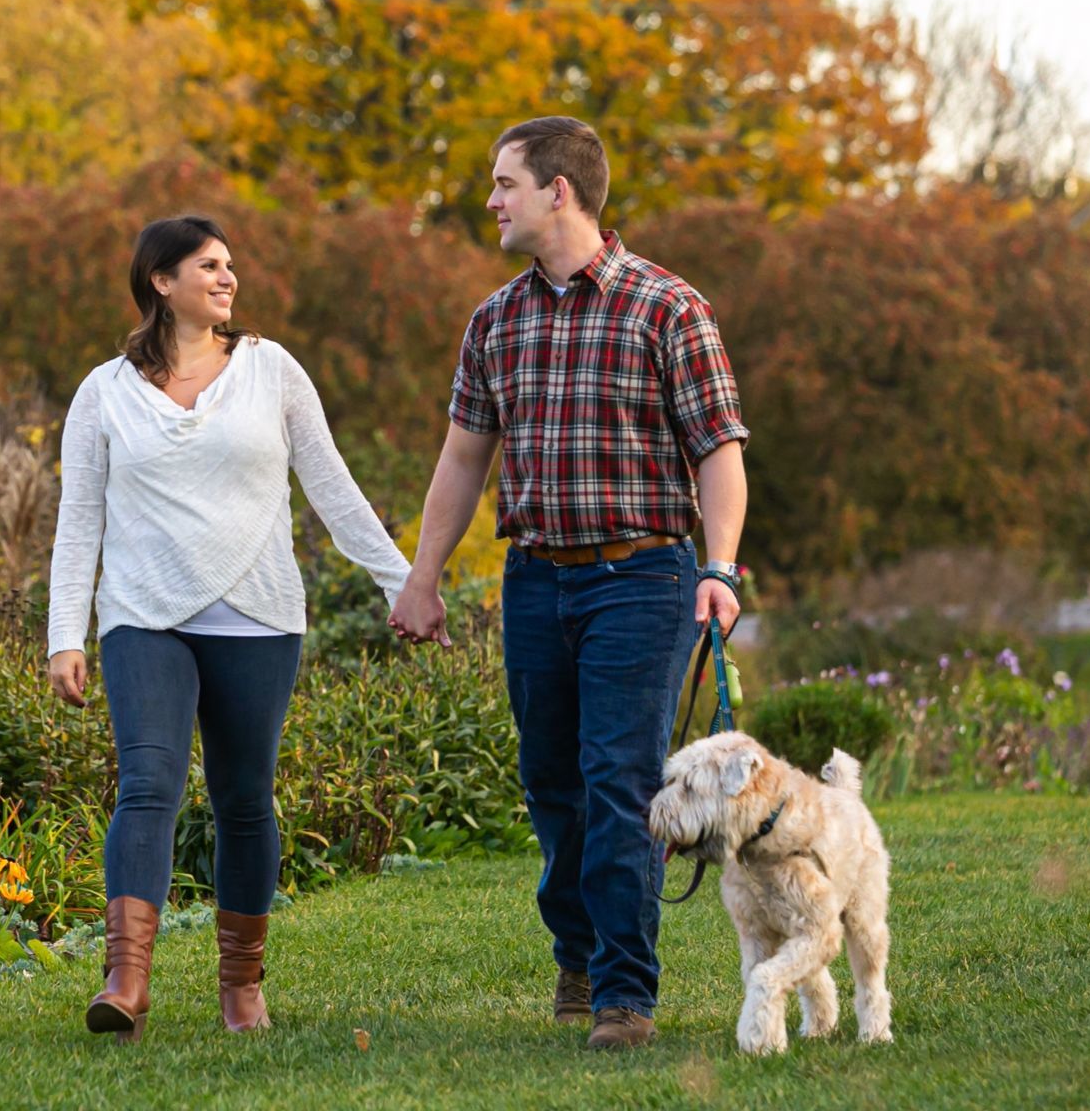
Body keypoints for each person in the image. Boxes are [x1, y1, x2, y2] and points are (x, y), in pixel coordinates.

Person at [389, 116, 749, 1051]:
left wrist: (719, 568)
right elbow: (463, 459)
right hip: (536, 583)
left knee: (619, 778)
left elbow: (718, 452)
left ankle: (626, 993)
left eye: (503, 182)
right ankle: (580, 955)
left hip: (644, 576)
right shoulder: (495, 321)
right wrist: (423, 577)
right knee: (553, 784)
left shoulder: (668, 307)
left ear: (559, 191)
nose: (490, 200)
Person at [47, 215, 412, 1042]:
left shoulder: (271, 371)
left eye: (231, 265)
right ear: (160, 281)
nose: (228, 278)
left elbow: (331, 487)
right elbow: (79, 523)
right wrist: (65, 633)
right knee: (148, 782)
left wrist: (404, 583)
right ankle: (125, 982)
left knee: (244, 800)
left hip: (258, 613)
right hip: (143, 615)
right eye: (208, 266)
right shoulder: (102, 393)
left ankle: (241, 984)